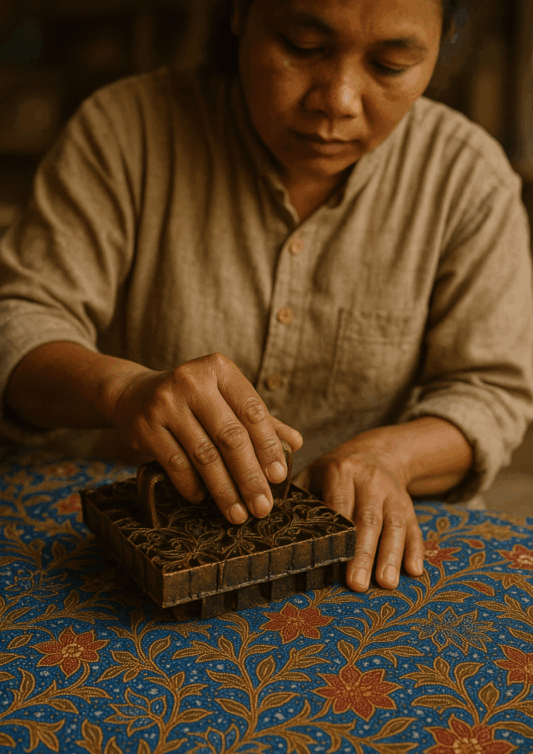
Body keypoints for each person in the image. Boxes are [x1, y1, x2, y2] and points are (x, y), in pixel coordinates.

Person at [0, 0, 532, 594]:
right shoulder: (126, 131)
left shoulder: (468, 179)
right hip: (151, 545)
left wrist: (392, 456)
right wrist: (122, 390)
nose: (339, 100)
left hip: (357, 551)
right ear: (238, 16)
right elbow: (20, 324)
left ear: (440, 49)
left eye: (390, 64)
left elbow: (491, 392)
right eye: (303, 47)